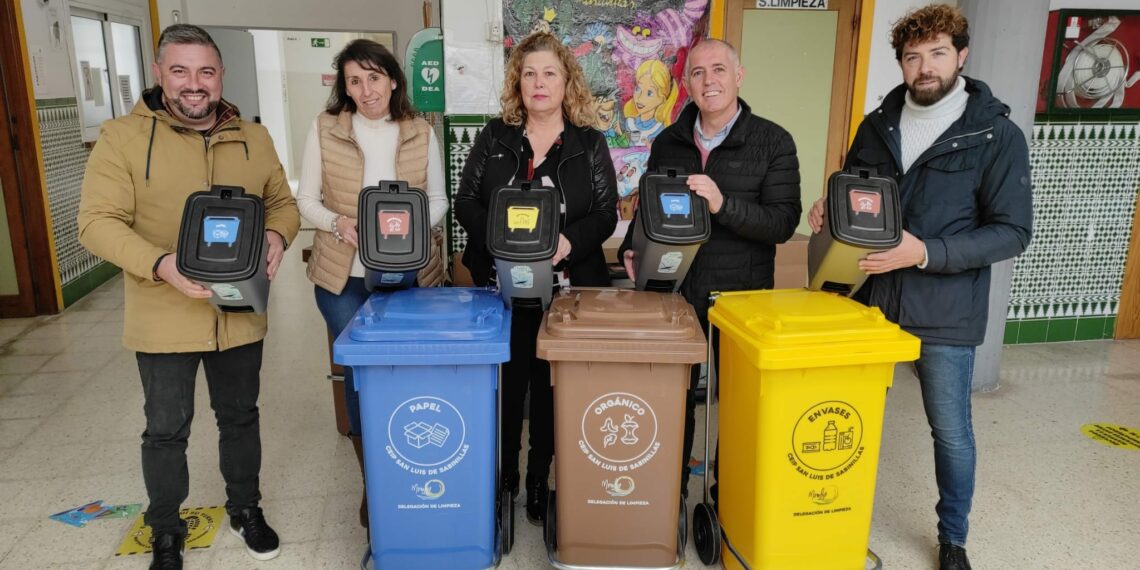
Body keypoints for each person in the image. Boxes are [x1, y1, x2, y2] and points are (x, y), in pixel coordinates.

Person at [808, 6, 1032, 569]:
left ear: (961, 56)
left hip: (945, 308)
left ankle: (952, 537)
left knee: (950, 430)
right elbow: (853, 191)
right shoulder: (877, 125)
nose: (924, 67)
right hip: (867, 299)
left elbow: (1012, 232)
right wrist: (827, 207)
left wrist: (927, 252)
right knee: (848, 419)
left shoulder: (996, 135)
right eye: (913, 57)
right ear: (901, 64)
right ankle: (836, 516)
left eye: (937, 53)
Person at [77, 24, 299, 570]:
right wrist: (159, 264)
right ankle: (167, 531)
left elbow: (282, 204)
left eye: (205, 72)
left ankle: (246, 509)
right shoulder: (122, 138)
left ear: (220, 75)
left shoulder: (253, 137)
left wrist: (277, 235)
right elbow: (96, 223)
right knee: (166, 430)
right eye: (180, 71)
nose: (194, 84)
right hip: (163, 311)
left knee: (241, 417)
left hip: (239, 308)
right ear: (159, 75)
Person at [619, 38, 802, 501]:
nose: (709, 81)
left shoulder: (773, 141)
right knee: (673, 396)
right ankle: (672, 489)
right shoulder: (668, 141)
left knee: (739, 403)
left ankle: (728, 493)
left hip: (742, 294)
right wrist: (629, 245)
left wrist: (722, 204)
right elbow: (649, 208)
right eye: (698, 73)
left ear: (738, 76)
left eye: (718, 70)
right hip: (677, 289)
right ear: (686, 85)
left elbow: (782, 223)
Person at [455, 31, 618, 525]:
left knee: (551, 390)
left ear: (566, 81)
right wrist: (503, 240)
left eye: (549, 73)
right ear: (517, 82)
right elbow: (466, 202)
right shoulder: (494, 136)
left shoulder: (589, 143)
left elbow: (607, 213)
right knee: (506, 387)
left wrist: (569, 242)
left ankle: (536, 481)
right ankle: (504, 479)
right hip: (501, 290)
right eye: (529, 73)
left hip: (568, 292)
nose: (538, 82)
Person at [297, 39, 447, 529]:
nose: (366, 90)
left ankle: (408, 467)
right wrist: (342, 223)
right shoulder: (325, 129)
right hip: (345, 277)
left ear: (393, 80)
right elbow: (306, 201)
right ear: (344, 85)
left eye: (375, 78)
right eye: (354, 81)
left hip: (411, 275)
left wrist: (408, 226)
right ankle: (372, 485)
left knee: (406, 375)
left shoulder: (420, 130)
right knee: (362, 381)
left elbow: (440, 199)